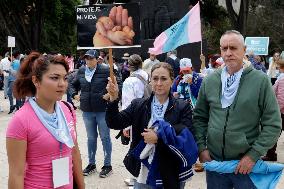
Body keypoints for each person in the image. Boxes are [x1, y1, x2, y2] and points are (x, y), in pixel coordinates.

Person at [193, 30, 282, 189]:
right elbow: (199, 117)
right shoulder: (210, 80)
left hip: (245, 166)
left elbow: (273, 124)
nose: (228, 53)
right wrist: (202, 148)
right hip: (215, 165)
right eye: (224, 48)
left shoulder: (260, 81)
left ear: (244, 49)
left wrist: (253, 155)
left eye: (233, 48)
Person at [105, 62, 198, 189]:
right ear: (150, 81)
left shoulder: (182, 107)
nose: (159, 83)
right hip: (144, 170)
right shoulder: (138, 105)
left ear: (172, 80)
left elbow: (188, 136)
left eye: (163, 78)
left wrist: (159, 137)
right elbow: (114, 122)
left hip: (171, 170)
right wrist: (113, 98)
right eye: (155, 78)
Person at [6, 52, 85, 189]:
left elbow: (74, 153)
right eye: (55, 78)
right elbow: (16, 174)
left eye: (65, 78)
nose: (62, 84)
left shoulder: (68, 109)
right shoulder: (20, 120)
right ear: (36, 81)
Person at [69, 49, 114, 178]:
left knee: (105, 137)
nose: (88, 61)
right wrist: (74, 94)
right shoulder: (82, 70)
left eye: (91, 58)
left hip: (102, 110)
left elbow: (118, 84)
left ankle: (107, 165)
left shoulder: (106, 69)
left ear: (97, 59)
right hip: (87, 111)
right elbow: (72, 84)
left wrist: (109, 94)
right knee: (91, 138)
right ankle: (91, 164)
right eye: (86, 58)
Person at [120, 54, 149, 186]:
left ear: (129, 66)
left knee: (135, 146)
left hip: (135, 118)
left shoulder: (129, 81)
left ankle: (134, 178)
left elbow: (127, 104)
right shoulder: (146, 75)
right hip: (148, 114)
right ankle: (144, 175)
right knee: (146, 145)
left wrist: (125, 126)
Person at [262, 59, 284, 161]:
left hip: (281, 112)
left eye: (279, 67)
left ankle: (271, 155)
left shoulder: (282, 78)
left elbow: (280, 96)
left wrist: (276, 110)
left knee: (274, 133)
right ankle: (271, 154)